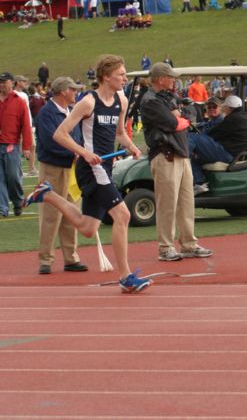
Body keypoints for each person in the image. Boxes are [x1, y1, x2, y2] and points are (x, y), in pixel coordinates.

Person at [22, 56, 151, 293]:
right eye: (121, 74)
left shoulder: (121, 100)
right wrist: (84, 153)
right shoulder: (89, 102)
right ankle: (125, 277)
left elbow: (120, 132)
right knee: (122, 215)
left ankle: (48, 194)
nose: (125, 78)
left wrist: (131, 146)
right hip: (90, 168)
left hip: (105, 166)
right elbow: (60, 134)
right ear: (106, 76)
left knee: (88, 228)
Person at [140, 62, 214, 262]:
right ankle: (165, 247)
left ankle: (189, 243)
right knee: (167, 204)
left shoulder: (168, 97)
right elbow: (174, 123)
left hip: (180, 154)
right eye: (171, 77)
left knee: (186, 202)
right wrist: (180, 118)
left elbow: (191, 113)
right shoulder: (151, 100)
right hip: (165, 155)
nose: (174, 80)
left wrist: (182, 117)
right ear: (161, 79)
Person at [33, 77, 86, 274]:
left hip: (70, 168)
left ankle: (71, 258)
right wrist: (74, 152)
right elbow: (49, 141)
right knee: (50, 215)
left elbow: (77, 137)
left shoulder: (70, 112)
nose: (76, 93)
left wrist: (78, 152)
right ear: (64, 91)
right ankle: (45, 260)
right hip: (52, 169)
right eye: (73, 90)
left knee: (72, 213)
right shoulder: (47, 113)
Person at [0, 71, 33, 217]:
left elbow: (25, 125)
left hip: (11, 145)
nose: (1, 84)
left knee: (13, 176)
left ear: (12, 83)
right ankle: (3, 208)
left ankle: (18, 201)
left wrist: (26, 147)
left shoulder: (19, 101)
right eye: (0, 82)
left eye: (4, 81)